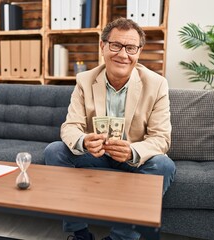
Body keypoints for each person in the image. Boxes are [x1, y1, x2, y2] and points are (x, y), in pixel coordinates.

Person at [43, 17, 176, 240]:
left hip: (134, 159)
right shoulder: (85, 80)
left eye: (131, 48)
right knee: (54, 151)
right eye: (116, 45)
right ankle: (80, 234)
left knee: (164, 164)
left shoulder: (157, 84)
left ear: (139, 52)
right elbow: (70, 126)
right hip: (97, 155)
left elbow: (161, 138)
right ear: (103, 46)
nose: (123, 54)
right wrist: (84, 141)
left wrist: (133, 151)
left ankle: (119, 238)